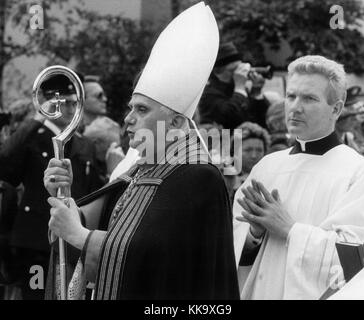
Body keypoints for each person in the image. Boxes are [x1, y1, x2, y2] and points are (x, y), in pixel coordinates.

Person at [43, 2, 239, 300]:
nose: (128, 119)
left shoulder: (198, 176)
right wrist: (65, 198)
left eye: (142, 109)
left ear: (175, 122)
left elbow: (166, 264)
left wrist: (80, 236)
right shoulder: (139, 170)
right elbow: (113, 229)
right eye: (130, 108)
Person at [233, 55, 364, 299]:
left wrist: (289, 229)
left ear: (337, 108)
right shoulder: (267, 167)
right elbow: (233, 249)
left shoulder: (359, 171)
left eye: (309, 98)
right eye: (291, 96)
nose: (295, 107)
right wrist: (254, 235)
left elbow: (357, 258)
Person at [0, 74, 103, 300]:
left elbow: (95, 189)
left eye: (75, 103)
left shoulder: (84, 144)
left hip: (74, 238)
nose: (70, 110)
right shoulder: (32, 135)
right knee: (37, 294)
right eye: (64, 103)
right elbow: (5, 167)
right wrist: (36, 119)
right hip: (37, 241)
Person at [198, 42, 271, 130]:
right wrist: (239, 88)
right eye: (233, 70)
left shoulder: (240, 90)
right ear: (218, 72)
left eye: (240, 68)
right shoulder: (208, 95)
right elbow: (231, 119)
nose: (239, 73)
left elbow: (265, 120)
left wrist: (256, 93)